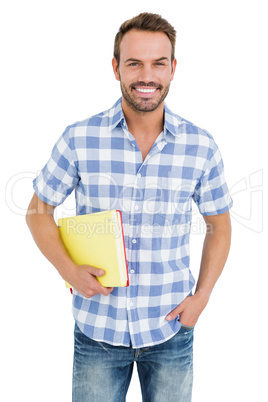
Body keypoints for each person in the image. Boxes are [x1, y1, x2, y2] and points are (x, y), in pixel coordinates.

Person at [26, 12, 232, 402]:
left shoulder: (200, 146)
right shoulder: (79, 138)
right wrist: (68, 269)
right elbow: (38, 211)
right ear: (116, 68)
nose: (146, 76)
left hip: (170, 328)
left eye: (158, 63)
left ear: (173, 69)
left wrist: (201, 297)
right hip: (98, 331)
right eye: (134, 63)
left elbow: (219, 226)